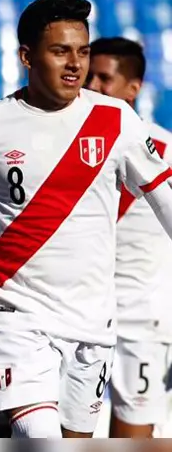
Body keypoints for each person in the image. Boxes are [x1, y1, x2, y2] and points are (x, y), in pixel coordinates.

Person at [0, 0, 172, 438]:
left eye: (82, 52)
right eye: (60, 51)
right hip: (15, 314)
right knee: (41, 438)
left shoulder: (115, 121)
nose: (75, 64)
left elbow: (165, 200)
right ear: (27, 56)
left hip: (92, 323)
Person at [84, 37, 172, 438]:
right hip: (78, 316)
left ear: (133, 89)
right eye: (88, 77)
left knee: (131, 438)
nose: (92, 87)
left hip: (141, 322)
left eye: (104, 78)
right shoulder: (66, 144)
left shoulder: (162, 148)